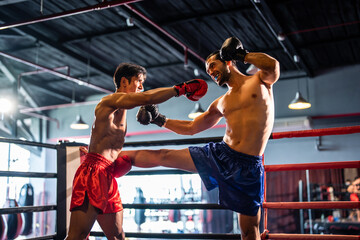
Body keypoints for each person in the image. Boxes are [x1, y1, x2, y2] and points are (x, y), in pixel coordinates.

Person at [122, 36, 280, 240]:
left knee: (249, 231)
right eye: (208, 71)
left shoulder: (259, 80)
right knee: (165, 155)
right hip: (221, 155)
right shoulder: (221, 102)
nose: (211, 72)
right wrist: (160, 120)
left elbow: (273, 65)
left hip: (248, 167)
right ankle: (114, 157)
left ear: (228, 61)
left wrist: (242, 55)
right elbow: (191, 128)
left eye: (213, 65)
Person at [65, 62, 208, 240]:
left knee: (118, 236)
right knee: (76, 236)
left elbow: (108, 143)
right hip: (92, 175)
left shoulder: (123, 110)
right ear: (124, 81)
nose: (141, 86)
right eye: (138, 81)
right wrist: (180, 89)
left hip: (107, 175)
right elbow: (147, 98)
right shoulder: (108, 102)